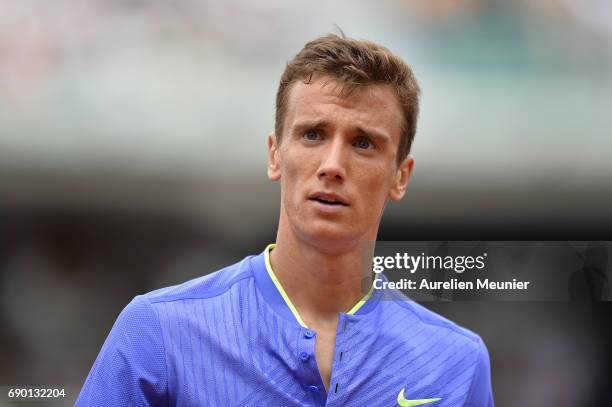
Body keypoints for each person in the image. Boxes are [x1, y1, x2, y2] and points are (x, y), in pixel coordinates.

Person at [77, 34, 494, 407]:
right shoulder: (158, 332)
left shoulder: (456, 363)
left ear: (400, 176)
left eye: (363, 143)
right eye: (313, 134)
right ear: (275, 154)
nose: (332, 165)